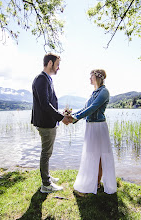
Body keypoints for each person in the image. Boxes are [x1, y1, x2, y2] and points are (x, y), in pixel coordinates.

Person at [31, 53, 72, 193]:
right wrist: (61, 118)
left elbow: (49, 103)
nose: (58, 68)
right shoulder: (41, 79)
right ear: (50, 63)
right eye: (57, 64)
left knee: (47, 153)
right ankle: (46, 185)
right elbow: (45, 104)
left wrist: (61, 114)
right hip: (45, 123)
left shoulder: (46, 79)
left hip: (48, 121)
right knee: (46, 153)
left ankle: (46, 177)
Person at [72, 69, 117, 195]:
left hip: (98, 127)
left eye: (91, 76)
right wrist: (72, 116)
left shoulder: (104, 92)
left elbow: (93, 108)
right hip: (90, 127)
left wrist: (76, 117)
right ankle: (91, 181)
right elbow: (85, 108)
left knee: (101, 155)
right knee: (91, 154)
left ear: (97, 77)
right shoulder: (93, 93)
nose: (89, 79)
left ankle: (97, 182)